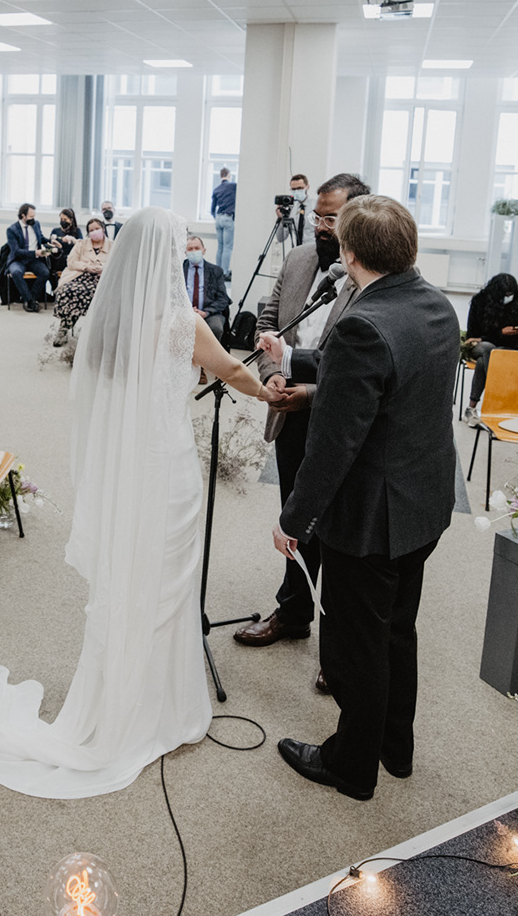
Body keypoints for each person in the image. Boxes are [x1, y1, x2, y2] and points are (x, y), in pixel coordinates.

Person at [0, 209, 267, 797]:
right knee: (168, 577)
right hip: (167, 464)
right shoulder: (183, 321)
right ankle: (161, 707)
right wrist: (270, 385)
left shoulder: (109, 317)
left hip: (127, 464)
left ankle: (126, 694)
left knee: (133, 572)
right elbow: (228, 370)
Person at [261, 194, 459, 801]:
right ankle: (394, 746)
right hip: (423, 503)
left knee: (356, 642)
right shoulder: (435, 305)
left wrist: (294, 519)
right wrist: (294, 356)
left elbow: (332, 447)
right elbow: (379, 366)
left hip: (372, 515)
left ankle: (351, 764)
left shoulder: (361, 326)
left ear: (348, 254)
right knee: (397, 628)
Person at [237, 172, 369, 654]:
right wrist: (273, 373)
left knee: (338, 530)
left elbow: (358, 366)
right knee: (294, 513)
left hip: (342, 417)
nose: (319, 226)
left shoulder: (369, 275)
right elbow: (270, 322)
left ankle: (339, 644)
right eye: (317, 215)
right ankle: (293, 612)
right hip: (288, 408)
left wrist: (308, 392)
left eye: (330, 218)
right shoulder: (297, 259)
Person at [462, 272, 518, 424]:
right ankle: (497, 403)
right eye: (505, 293)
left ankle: (471, 408)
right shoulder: (479, 302)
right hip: (480, 347)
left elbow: (514, 340)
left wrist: (488, 336)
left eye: (511, 293)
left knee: (485, 361)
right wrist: (500, 333)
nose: (508, 296)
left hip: (505, 348)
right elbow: (473, 334)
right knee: (489, 349)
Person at [51, 216, 110, 347]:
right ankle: (63, 329)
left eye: (97, 228)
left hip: (101, 279)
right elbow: (71, 261)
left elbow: (117, 263)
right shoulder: (81, 244)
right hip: (80, 275)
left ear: (103, 229)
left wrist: (103, 268)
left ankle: (94, 333)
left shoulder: (113, 245)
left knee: (94, 294)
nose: (94, 232)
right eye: (91, 230)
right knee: (67, 291)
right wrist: (86, 266)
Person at [182, 233, 230, 341]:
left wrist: (205, 312)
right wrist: (187, 310)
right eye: (190, 249)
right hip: (184, 312)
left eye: (197, 248)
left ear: (204, 250)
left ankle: (210, 352)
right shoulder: (180, 270)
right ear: (185, 252)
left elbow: (223, 298)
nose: (194, 251)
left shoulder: (216, 271)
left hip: (209, 313)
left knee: (215, 327)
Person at [4, 204, 52, 313]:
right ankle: (30, 301)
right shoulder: (12, 230)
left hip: (34, 260)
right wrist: (35, 252)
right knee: (16, 272)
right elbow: (16, 251)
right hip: (18, 259)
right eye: (31, 217)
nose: (33, 219)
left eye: (34, 216)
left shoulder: (36, 224)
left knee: (45, 273)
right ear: (23, 216)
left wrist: (50, 241)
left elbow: (41, 238)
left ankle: (30, 299)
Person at [210, 167, 237, 272]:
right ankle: (224, 271)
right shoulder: (233, 186)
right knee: (227, 247)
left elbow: (212, 209)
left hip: (218, 219)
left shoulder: (216, 189)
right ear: (229, 175)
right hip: (228, 218)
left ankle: (218, 271)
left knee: (220, 247)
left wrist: (216, 217)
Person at [47, 207, 81, 290]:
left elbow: (81, 246)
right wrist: (54, 246)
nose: (63, 221)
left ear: (71, 220)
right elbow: (49, 247)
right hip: (57, 259)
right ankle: (55, 289)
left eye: (65, 219)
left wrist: (73, 241)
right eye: (61, 219)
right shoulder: (55, 231)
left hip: (70, 259)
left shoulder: (77, 231)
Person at [280, 173, 310, 246]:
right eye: (293, 189)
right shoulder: (292, 209)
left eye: (300, 188)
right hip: (297, 250)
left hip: (313, 249)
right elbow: (281, 238)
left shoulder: (316, 206)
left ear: (307, 187)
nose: (296, 191)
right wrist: (281, 218)